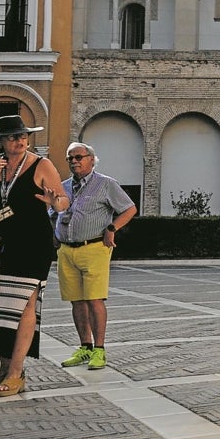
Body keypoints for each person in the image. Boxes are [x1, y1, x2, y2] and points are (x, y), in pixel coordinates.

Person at [0, 115, 68, 397]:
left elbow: (62, 202)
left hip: (32, 246)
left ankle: (16, 372)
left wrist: (53, 201)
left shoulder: (40, 164)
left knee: (24, 307)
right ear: (0, 141)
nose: (20, 141)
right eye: (13, 137)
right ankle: (3, 367)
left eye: (23, 136)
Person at [53, 142, 137, 372]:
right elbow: (54, 212)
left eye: (79, 157)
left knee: (94, 300)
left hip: (94, 247)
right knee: (76, 301)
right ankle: (85, 347)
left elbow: (129, 209)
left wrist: (112, 228)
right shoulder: (63, 187)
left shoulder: (106, 184)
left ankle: (99, 349)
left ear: (91, 159)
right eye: (70, 158)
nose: (74, 161)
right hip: (67, 249)